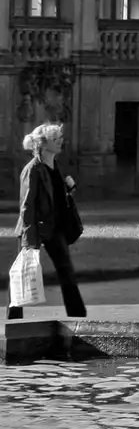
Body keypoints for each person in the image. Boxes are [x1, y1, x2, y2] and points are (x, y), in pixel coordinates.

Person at [9, 122, 85, 320]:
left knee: (67, 272)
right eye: (55, 139)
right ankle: (14, 320)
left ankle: (79, 318)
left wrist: (68, 189)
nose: (61, 141)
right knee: (23, 275)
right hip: (34, 228)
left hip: (55, 228)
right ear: (43, 145)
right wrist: (28, 238)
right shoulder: (32, 169)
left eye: (60, 137)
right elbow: (27, 206)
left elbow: (54, 197)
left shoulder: (55, 166)